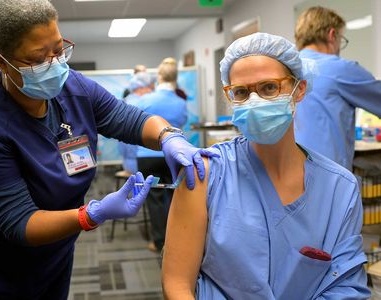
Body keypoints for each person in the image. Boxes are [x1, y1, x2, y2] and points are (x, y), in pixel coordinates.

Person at [0, 1, 216, 299]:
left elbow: (128, 118)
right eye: (39, 58)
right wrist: (93, 214)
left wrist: (167, 137)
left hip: (54, 256)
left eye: (59, 50)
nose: (55, 64)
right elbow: (20, 222)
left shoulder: (73, 86)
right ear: (1, 62)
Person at [162, 32, 370, 299]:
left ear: (300, 89)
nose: (255, 101)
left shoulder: (339, 188)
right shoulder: (204, 173)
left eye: (269, 88)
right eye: (241, 92)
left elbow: (345, 286)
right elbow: (177, 284)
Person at [294, 6, 381, 170]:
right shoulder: (340, 69)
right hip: (329, 179)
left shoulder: (285, 69)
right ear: (332, 35)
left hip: (287, 178)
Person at [136, 58, 187, 252]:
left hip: (148, 157)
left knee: (155, 198)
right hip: (174, 156)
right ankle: (179, 240)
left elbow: (137, 126)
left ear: (158, 76)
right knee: (177, 197)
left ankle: (159, 241)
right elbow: (181, 122)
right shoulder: (181, 102)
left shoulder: (145, 100)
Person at [118, 72, 155, 174]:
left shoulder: (125, 101)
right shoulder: (142, 103)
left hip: (127, 159)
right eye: (150, 87)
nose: (152, 90)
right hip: (139, 159)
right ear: (141, 87)